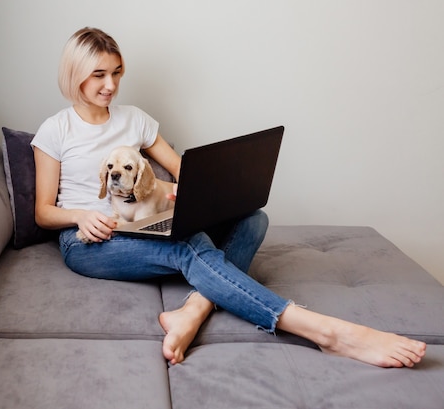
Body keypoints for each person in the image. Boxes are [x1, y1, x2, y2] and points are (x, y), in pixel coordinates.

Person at [31, 27, 427, 368]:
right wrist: (80, 216)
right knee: (186, 246)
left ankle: (192, 310)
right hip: (90, 243)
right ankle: (327, 332)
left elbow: (182, 171)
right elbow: (43, 212)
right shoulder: (56, 130)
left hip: (143, 221)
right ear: (74, 75)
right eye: (98, 74)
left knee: (253, 218)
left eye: (117, 72)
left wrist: (192, 194)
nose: (111, 85)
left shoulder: (135, 118)